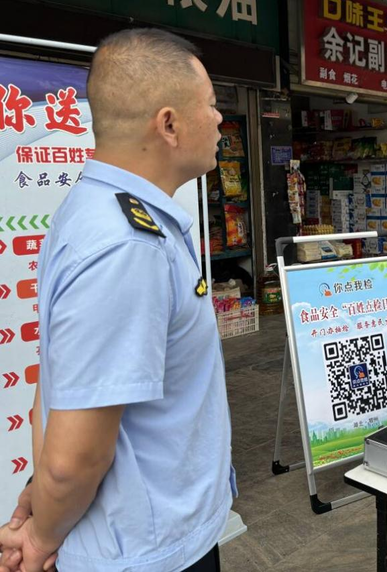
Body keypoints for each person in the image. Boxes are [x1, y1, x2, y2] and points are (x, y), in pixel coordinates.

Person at [0, 29, 234, 572]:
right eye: (210, 104)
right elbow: (73, 459)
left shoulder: (96, 212)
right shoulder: (127, 246)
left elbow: (54, 386)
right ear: (169, 124)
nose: (220, 119)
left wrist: (40, 501)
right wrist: (40, 537)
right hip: (147, 553)